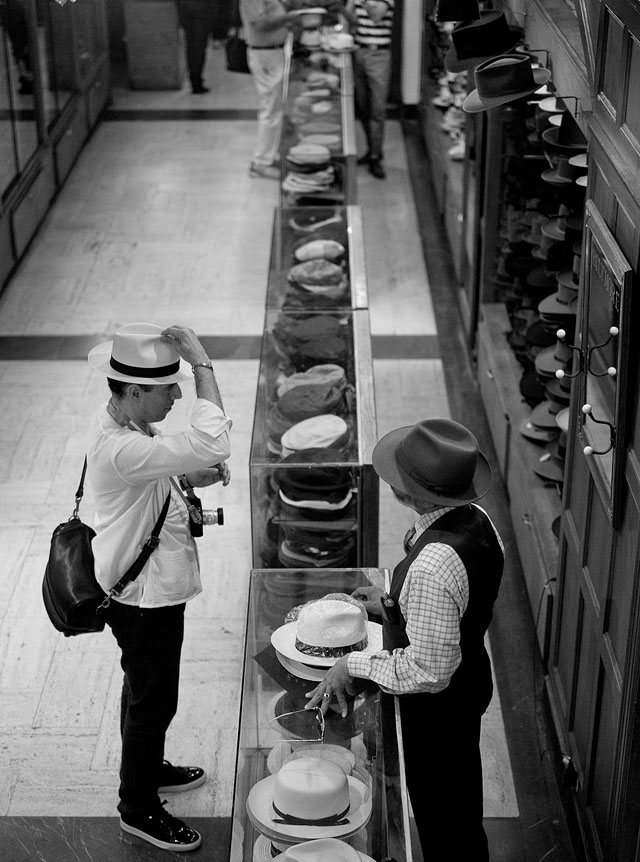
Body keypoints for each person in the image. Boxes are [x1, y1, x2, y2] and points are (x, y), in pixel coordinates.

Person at [306, 418, 505, 861]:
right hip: (468, 683)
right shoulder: (476, 519)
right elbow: (457, 601)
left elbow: (428, 670)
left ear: (412, 493)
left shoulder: (434, 565)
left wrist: (352, 665)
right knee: (459, 807)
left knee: (444, 821)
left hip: (439, 713)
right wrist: (393, 602)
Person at [86, 322, 232, 852]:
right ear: (131, 392)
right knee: (153, 703)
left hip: (143, 592)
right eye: (168, 387)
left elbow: (157, 476)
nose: (176, 395)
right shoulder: (121, 447)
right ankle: (138, 807)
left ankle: (146, 769)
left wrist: (190, 478)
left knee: (142, 691)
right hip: (144, 599)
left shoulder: (126, 429)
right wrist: (201, 364)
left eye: (178, 383)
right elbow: (212, 437)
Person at [343, 0, 395, 179]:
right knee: (363, 106)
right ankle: (372, 149)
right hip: (358, 52)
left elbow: (376, 16)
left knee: (377, 109)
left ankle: (375, 156)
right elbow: (349, 16)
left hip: (379, 55)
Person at [176, 0, 214, 93]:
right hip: (201, 8)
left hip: (184, 7)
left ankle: (194, 79)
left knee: (191, 44)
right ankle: (196, 80)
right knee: (199, 44)